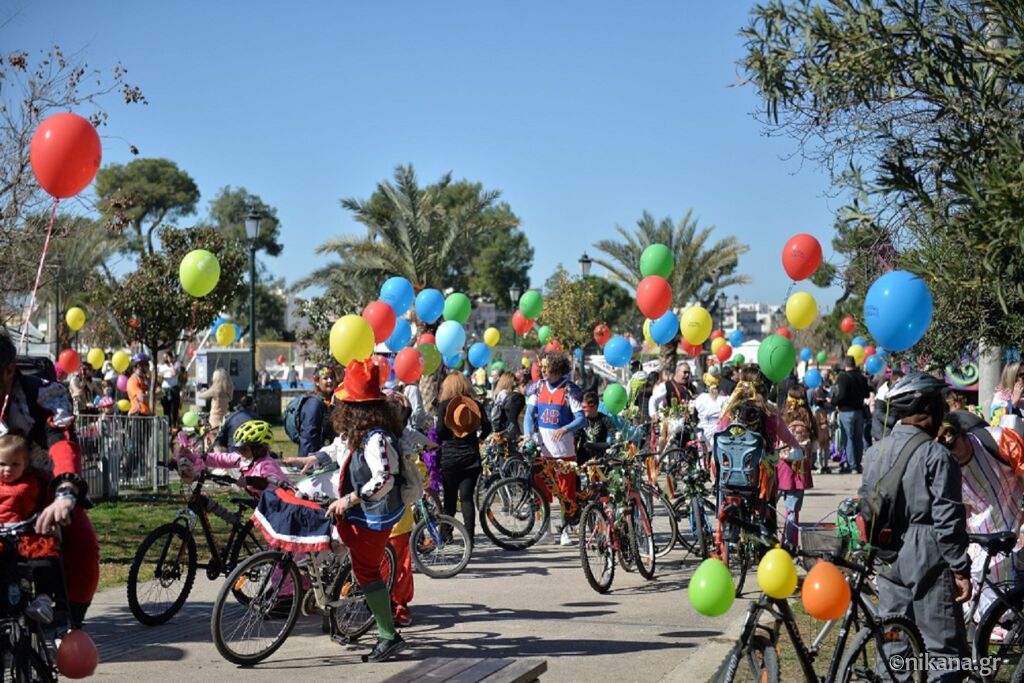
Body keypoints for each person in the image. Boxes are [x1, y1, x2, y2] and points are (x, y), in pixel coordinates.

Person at [859, 372, 971, 680]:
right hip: (928, 556)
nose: (944, 413)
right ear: (927, 407)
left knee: (894, 643)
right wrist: (961, 569)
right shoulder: (937, 456)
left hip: (887, 554)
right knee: (941, 648)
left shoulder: (874, 453)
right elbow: (948, 521)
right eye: (940, 405)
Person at [0, 331, 97, 628]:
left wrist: (66, 492)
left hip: (44, 491)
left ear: (9, 371)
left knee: (81, 544)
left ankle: (69, 623)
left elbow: (62, 442)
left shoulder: (43, 394)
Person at [326, 358, 408, 663]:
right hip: (366, 514)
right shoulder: (363, 432)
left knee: (368, 572)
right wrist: (309, 461)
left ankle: (388, 635)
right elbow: (338, 451)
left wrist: (349, 499)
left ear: (356, 408)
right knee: (362, 567)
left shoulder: (377, 438)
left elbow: (384, 479)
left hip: (374, 516)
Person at [942, 410, 1024, 630]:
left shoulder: (997, 440)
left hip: (1016, 517)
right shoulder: (945, 466)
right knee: (980, 581)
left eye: (953, 445)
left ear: (963, 434)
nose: (952, 453)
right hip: (982, 531)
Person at [524, 352, 585, 546]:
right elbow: (528, 415)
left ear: (557, 369)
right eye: (541, 367)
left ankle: (565, 531)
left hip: (564, 452)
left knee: (566, 494)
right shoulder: (538, 387)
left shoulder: (570, 390)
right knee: (542, 493)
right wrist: (528, 434)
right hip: (542, 452)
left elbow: (581, 419)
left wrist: (566, 428)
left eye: (546, 368)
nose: (542, 371)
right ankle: (546, 530)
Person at [435, 372, 491, 546]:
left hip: (450, 458)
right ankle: (470, 538)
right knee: (467, 499)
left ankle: (445, 535)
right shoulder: (475, 405)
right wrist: (477, 438)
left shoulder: (444, 405)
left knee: (450, 500)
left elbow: (440, 433)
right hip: (470, 458)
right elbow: (488, 427)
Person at [778, 386, 816, 545]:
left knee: (768, 505)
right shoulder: (809, 418)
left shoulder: (783, 417)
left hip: (782, 465)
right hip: (800, 468)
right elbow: (814, 444)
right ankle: (789, 542)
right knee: (792, 508)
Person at [833, 356, 870, 474]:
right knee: (858, 438)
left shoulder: (843, 377)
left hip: (846, 411)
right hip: (859, 411)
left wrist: (833, 402)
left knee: (848, 438)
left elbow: (842, 395)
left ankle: (852, 465)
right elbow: (867, 394)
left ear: (845, 365)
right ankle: (858, 464)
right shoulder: (862, 377)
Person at [298, 364, 338, 456]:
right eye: (325, 378)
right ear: (317, 381)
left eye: (332, 377)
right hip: (311, 457)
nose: (330, 381)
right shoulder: (314, 403)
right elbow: (310, 434)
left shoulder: (331, 401)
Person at [576, 391, 613, 465]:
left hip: (599, 460)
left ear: (594, 406)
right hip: (583, 459)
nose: (583, 410)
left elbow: (613, 433)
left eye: (585, 407)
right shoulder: (582, 420)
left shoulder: (604, 419)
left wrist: (609, 444)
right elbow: (576, 436)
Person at [693, 372, 728, 447]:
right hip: (719, 430)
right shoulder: (724, 399)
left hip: (702, 429)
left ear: (707, 385)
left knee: (702, 454)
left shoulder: (700, 398)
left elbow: (694, 414)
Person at [489, 372, 526, 443]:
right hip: (508, 428)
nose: (515, 383)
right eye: (514, 380)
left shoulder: (498, 394)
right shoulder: (506, 395)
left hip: (500, 427)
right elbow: (511, 416)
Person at [157, 353, 181, 428]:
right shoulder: (161, 366)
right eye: (164, 357)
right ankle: (167, 427)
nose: (166, 358)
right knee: (166, 409)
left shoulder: (176, 364)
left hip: (173, 388)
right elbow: (160, 377)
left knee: (174, 409)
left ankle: (174, 426)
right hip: (165, 389)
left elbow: (174, 373)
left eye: (167, 357)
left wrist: (171, 364)